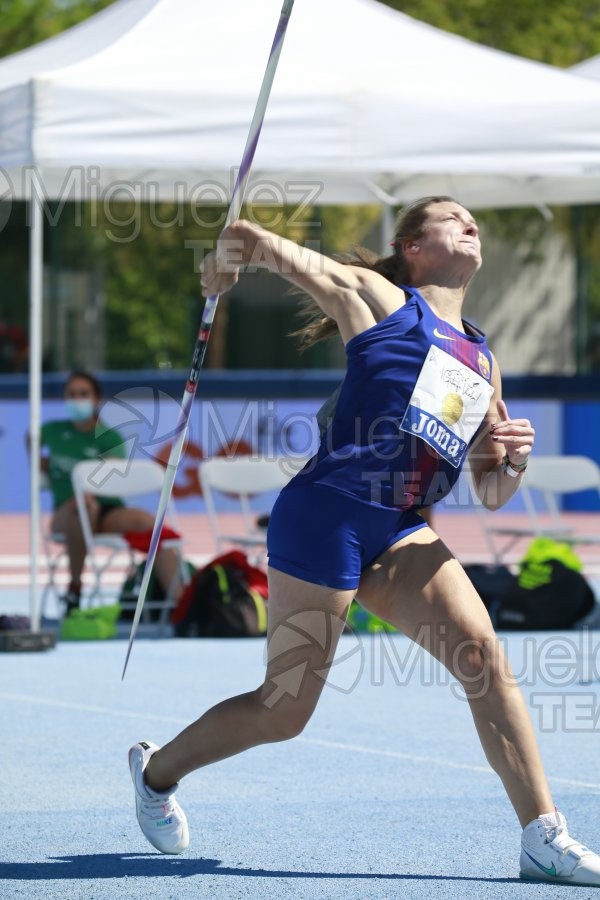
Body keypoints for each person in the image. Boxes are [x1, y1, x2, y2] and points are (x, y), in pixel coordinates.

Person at [128, 197, 600, 886]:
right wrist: (222, 266)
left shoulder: (482, 357)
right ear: (413, 246)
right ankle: (157, 771)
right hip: (327, 514)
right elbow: (253, 239)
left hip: (402, 525)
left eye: (474, 219)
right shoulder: (382, 300)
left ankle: (542, 836)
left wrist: (513, 457)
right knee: (284, 711)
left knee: (483, 658)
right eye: (452, 217)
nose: (471, 223)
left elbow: (491, 489)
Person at [40, 370, 183, 614]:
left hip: (107, 511)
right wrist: (41, 465)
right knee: (84, 507)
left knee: (151, 522)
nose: (77, 399)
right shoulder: (51, 430)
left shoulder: (109, 437)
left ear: (96, 399)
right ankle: (75, 589)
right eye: (71, 394)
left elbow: (109, 479)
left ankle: (180, 602)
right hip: (67, 511)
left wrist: (90, 490)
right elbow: (32, 445)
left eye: (83, 394)